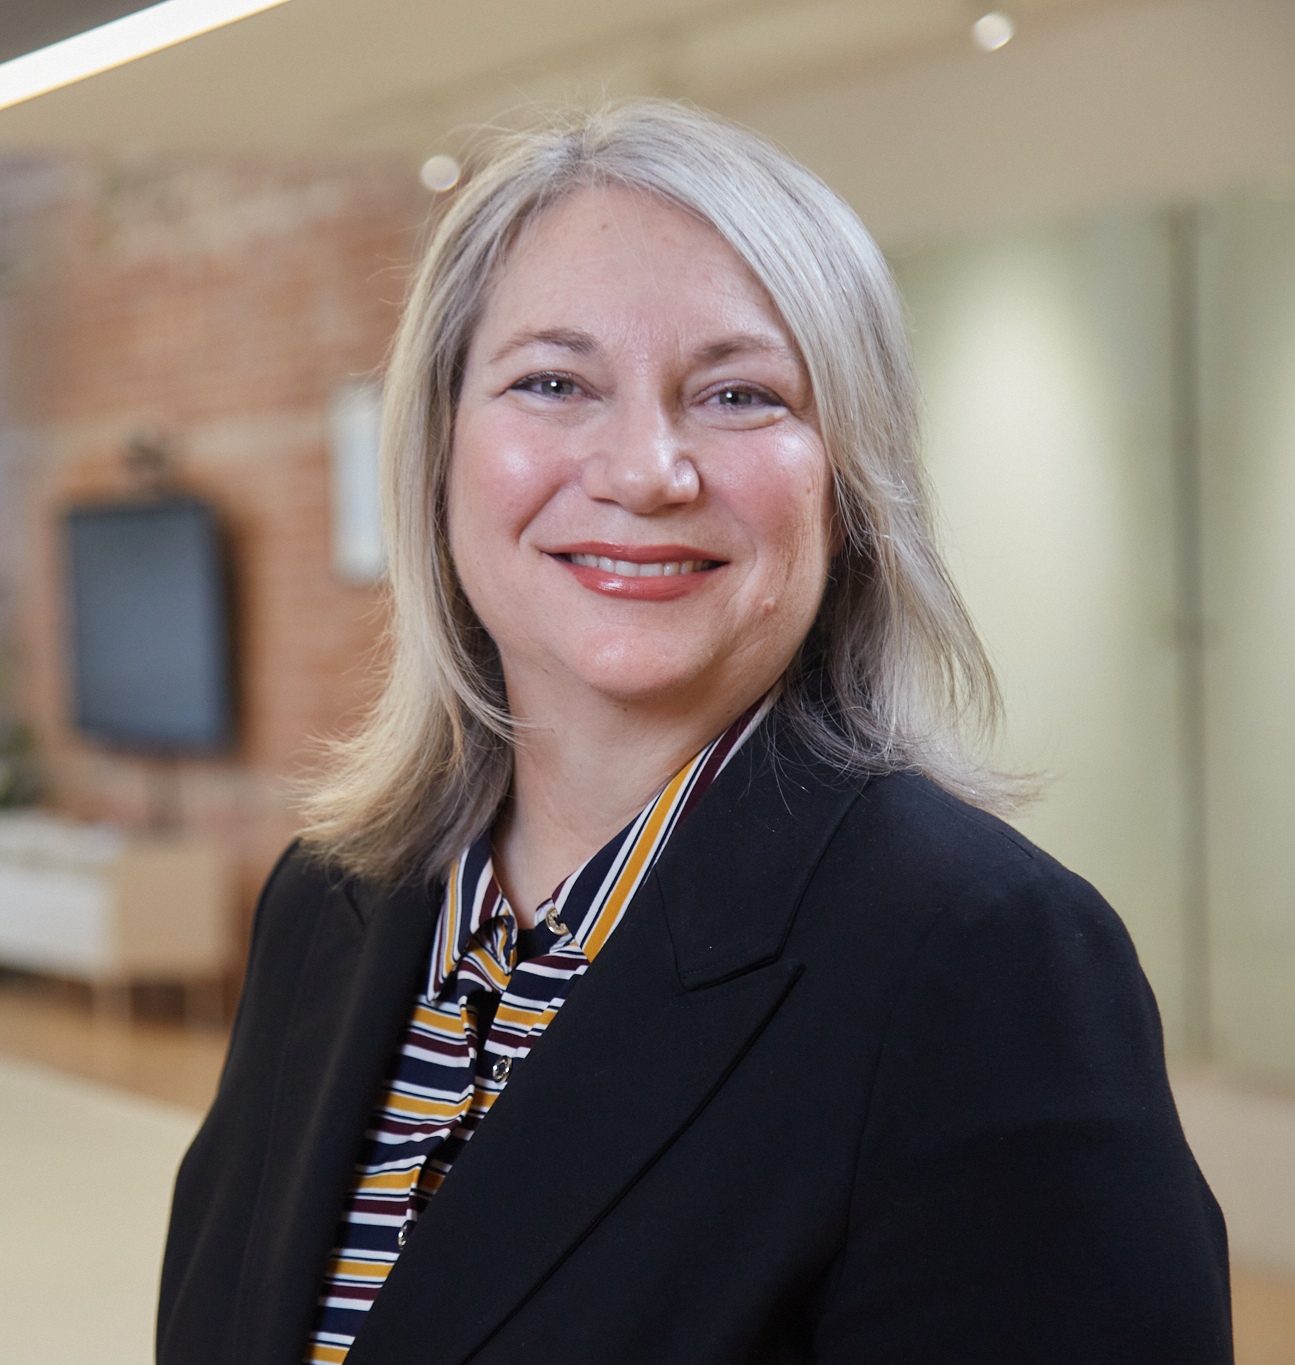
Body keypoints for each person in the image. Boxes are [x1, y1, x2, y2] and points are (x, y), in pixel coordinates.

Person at [157, 101, 1231, 1365]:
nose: (646, 469)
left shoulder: (981, 964)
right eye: (552, 382)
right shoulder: (328, 905)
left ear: (847, 479)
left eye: (738, 393)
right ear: (439, 448)